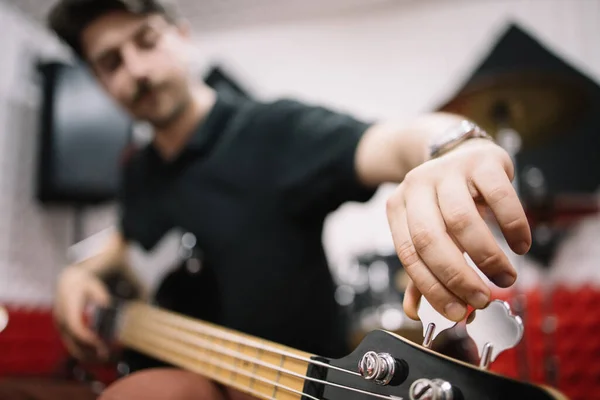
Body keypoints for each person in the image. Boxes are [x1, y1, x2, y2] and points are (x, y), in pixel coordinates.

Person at [46, 0, 531, 398]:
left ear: (182, 35)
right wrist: (79, 273)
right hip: (179, 375)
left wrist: (451, 150)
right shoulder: (138, 170)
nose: (136, 69)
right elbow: (130, 241)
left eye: (146, 41)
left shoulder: (272, 131)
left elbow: (391, 141)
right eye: (111, 62)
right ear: (99, 81)